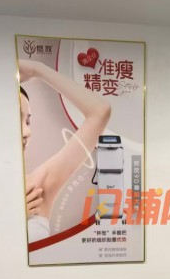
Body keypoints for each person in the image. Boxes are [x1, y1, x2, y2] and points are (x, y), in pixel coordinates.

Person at [19, 60, 111, 242]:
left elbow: (100, 111)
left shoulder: (37, 186)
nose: (26, 132)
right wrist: (11, 217)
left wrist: (38, 69)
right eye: (16, 120)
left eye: (28, 121)